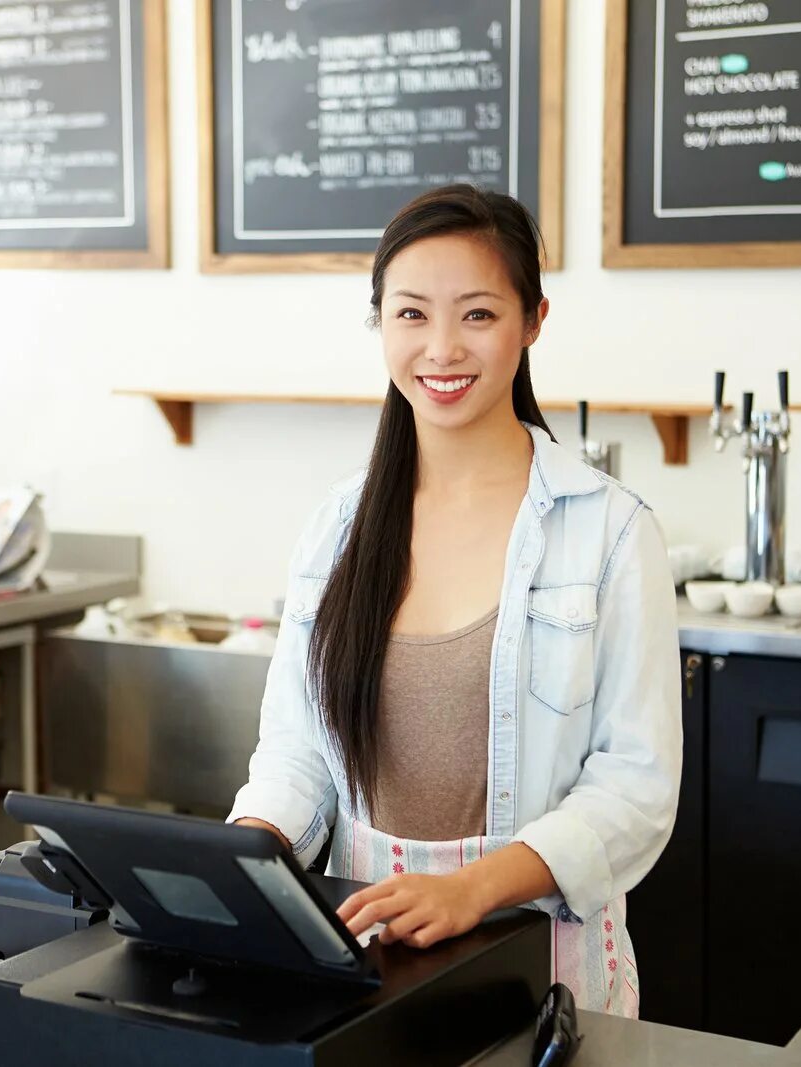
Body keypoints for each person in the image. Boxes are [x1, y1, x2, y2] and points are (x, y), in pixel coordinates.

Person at [228, 184, 681, 1016]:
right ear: (380, 324)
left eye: (477, 314)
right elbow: (299, 748)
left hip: (543, 968)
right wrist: (245, 856)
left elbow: (637, 787)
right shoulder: (339, 527)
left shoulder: (611, 532)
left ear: (533, 320)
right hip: (370, 964)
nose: (441, 349)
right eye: (410, 315)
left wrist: (472, 889)